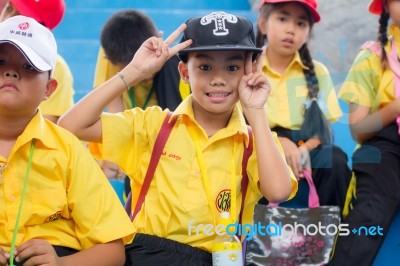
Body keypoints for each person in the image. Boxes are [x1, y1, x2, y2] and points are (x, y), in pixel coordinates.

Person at [58, 11, 298, 265]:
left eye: (233, 67)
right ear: (184, 72)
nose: (218, 79)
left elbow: (278, 191)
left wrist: (256, 111)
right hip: (146, 255)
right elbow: (72, 125)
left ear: (250, 71)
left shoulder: (253, 141)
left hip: (214, 258)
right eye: (205, 67)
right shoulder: (153, 125)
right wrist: (134, 71)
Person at [0, 15, 134, 266]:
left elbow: (113, 251)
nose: (10, 72)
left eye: (29, 66)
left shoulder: (68, 150)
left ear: (49, 90)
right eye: (0, 61)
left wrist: (62, 264)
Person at [256, 0, 351, 211]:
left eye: (301, 24)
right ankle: (250, 235)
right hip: (258, 142)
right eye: (282, 19)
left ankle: (331, 233)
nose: (291, 29)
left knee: (334, 159)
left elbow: (319, 132)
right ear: (263, 24)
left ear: (308, 33)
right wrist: (278, 143)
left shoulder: (318, 72)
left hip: (305, 144)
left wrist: (302, 150)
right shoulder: (248, 68)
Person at [329, 0, 400, 264]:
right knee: (373, 209)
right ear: (385, 7)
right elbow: (359, 130)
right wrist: (394, 108)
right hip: (383, 147)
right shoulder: (371, 57)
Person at [94, 9, 190, 185]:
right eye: (136, 71)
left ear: (159, 36)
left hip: (165, 126)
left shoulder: (171, 65)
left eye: (148, 73)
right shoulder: (111, 52)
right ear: (109, 59)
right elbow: (115, 112)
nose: (144, 75)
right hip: (135, 128)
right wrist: (118, 152)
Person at [0, 0, 75, 123]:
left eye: (19, 18)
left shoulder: (55, 68)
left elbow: (48, 126)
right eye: (9, 8)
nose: (7, 19)